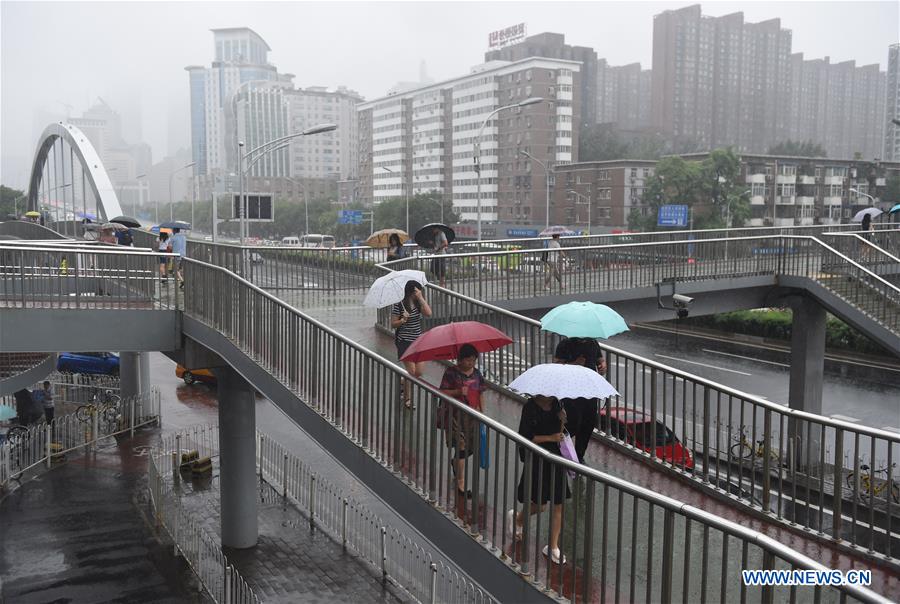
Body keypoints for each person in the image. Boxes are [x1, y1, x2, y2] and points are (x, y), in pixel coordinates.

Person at [508, 395, 571, 565]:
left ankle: (553, 547)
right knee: (540, 505)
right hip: (537, 458)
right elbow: (526, 437)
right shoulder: (531, 407)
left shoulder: (558, 404)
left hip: (556, 459)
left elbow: (562, 433)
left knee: (559, 503)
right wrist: (551, 438)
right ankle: (518, 519)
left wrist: (564, 420)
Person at [438, 344, 486, 500]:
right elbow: (443, 391)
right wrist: (459, 392)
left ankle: (455, 464)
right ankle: (461, 483)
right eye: (467, 360)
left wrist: (481, 411)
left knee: (470, 448)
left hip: (471, 417)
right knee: (462, 448)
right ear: (460, 360)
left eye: (473, 360)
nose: (471, 363)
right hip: (454, 416)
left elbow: (480, 393)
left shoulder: (477, 374)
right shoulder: (451, 373)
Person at [390, 280, 432, 408]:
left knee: (418, 372)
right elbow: (393, 324)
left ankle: (403, 382)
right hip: (404, 341)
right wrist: (403, 320)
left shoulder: (419, 303)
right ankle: (407, 399)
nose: (419, 293)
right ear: (412, 291)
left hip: (418, 341)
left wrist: (421, 299)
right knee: (412, 372)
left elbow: (429, 313)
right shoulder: (399, 305)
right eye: (418, 291)